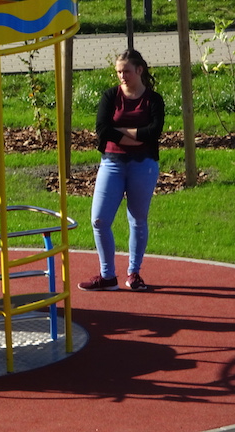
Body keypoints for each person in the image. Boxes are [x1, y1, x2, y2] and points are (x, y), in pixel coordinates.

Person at [79, 49, 165, 292]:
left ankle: (134, 273)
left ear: (139, 70)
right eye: (118, 72)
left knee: (137, 219)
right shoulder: (110, 96)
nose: (122, 76)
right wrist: (136, 136)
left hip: (144, 164)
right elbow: (102, 129)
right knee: (99, 220)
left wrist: (121, 133)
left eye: (126, 71)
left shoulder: (153, 99)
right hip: (112, 163)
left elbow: (153, 132)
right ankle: (107, 276)